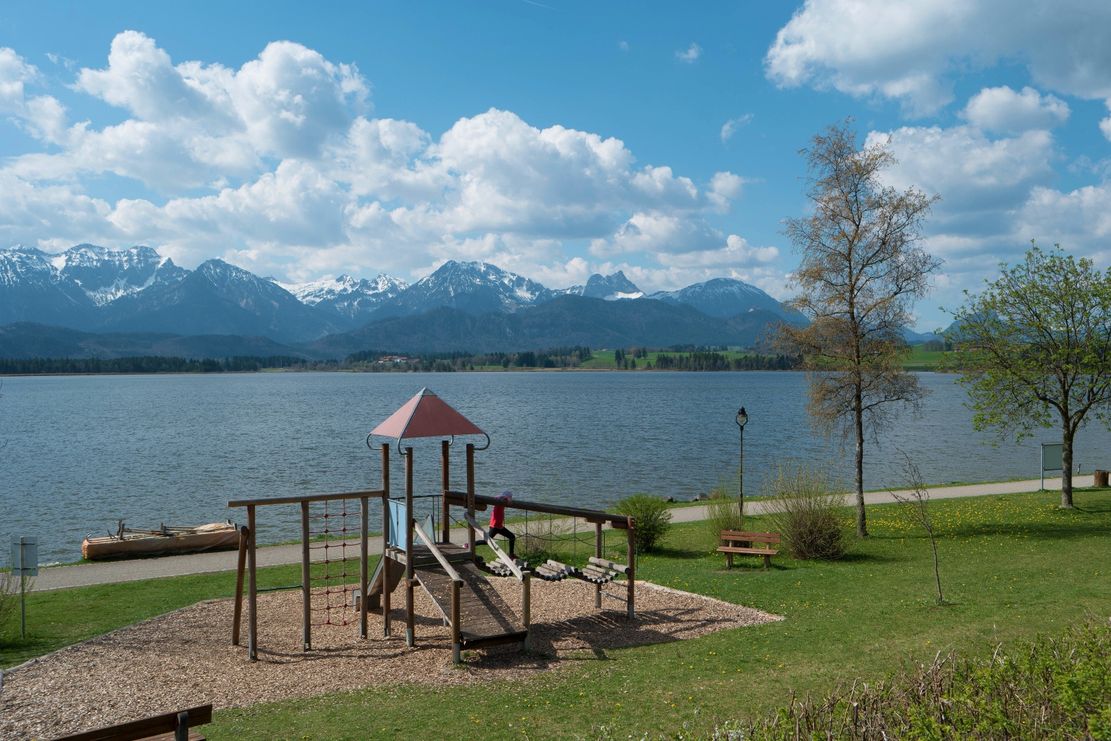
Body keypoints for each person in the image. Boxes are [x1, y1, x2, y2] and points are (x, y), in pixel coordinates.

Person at [488, 491, 516, 558]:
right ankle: (468, 545)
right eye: (510, 497)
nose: (510, 499)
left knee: (512, 537)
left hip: (499, 526)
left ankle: (511, 554)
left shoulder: (502, 502)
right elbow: (498, 497)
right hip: (494, 526)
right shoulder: (500, 500)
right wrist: (507, 498)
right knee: (486, 541)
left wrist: (507, 499)